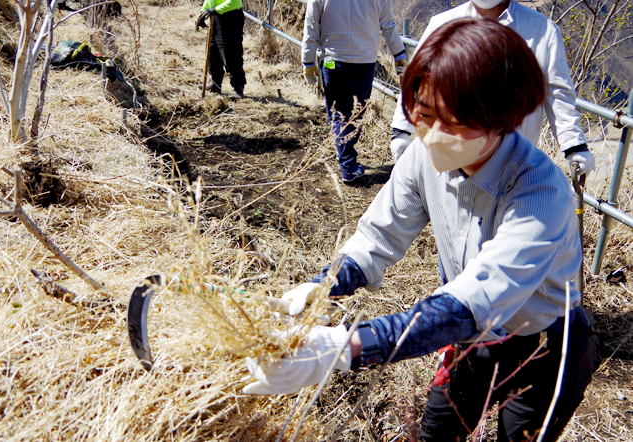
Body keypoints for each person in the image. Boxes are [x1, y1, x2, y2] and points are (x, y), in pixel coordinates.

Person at [243, 19, 596, 442]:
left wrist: (342, 347)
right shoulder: (424, 154)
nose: (432, 136)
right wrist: (323, 287)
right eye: (424, 116)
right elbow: (379, 236)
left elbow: (474, 300)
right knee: (434, 434)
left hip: (543, 347)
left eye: (455, 122)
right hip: (470, 337)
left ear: (503, 118)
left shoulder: (542, 193)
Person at [389, 0, 596, 179]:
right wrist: (401, 129)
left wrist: (574, 146)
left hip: (514, 165)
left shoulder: (542, 31)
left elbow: (558, 95)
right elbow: (416, 82)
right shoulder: (443, 23)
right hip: (453, 160)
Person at [301, 0, 408, 183]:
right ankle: (347, 162)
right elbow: (388, 25)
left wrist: (308, 62)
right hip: (364, 62)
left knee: (338, 114)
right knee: (357, 113)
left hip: (332, 62)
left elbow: (311, 26)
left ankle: (345, 157)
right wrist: (399, 54)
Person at [198, 0, 246, 100]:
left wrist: (215, 9)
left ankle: (238, 88)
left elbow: (235, 1)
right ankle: (215, 83)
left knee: (230, 53)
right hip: (215, 15)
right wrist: (203, 11)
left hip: (230, 16)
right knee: (213, 51)